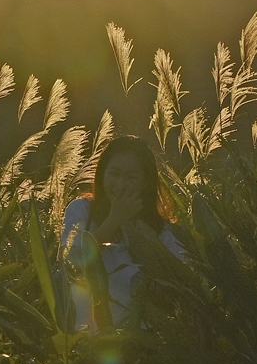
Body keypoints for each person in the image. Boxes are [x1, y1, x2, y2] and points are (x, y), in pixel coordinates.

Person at [61, 135, 185, 330]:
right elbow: (71, 264)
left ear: (146, 182)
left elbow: (180, 286)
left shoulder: (161, 230)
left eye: (131, 177)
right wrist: (114, 220)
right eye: (114, 174)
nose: (120, 184)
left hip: (146, 342)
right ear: (102, 175)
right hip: (90, 341)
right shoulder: (81, 211)